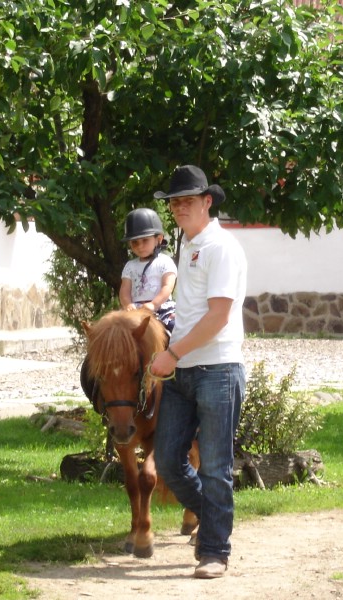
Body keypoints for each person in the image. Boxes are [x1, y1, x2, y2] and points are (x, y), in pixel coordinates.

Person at [149, 165, 247, 579]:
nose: (178, 208)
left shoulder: (221, 247)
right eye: (174, 202)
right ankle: (213, 519)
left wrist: (171, 354)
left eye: (187, 200)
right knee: (169, 462)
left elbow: (219, 317)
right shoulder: (187, 246)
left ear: (208, 202)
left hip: (217, 370)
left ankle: (213, 552)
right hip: (184, 370)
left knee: (215, 465)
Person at [119, 207, 177, 333]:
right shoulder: (130, 266)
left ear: (159, 239)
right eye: (134, 242)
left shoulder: (165, 262)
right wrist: (128, 305)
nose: (140, 246)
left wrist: (154, 304)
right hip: (135, 310)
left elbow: (167, 287)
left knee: (176, 327)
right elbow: (124, 290)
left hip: (162, 308)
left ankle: (178, 352)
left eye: (145, 240)